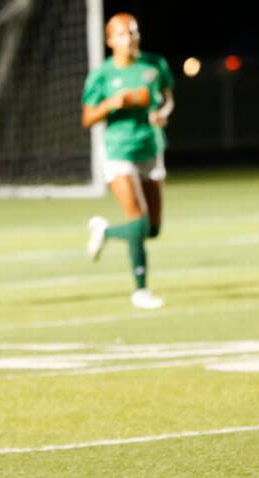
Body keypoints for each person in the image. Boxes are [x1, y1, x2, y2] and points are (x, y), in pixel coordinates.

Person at [82, 13, 174, 310]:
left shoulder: (155, 64)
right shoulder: (103, 75)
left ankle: (105, 231)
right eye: (122, 34)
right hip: (119, 151)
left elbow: (167, 98)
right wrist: (112, 103)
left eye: (133, 33)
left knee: (153, 229)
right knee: (138, 223)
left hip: (150, 148)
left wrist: (163, 113)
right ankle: (141, 291)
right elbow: (87, 117)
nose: (129, 39)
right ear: (110, 41)